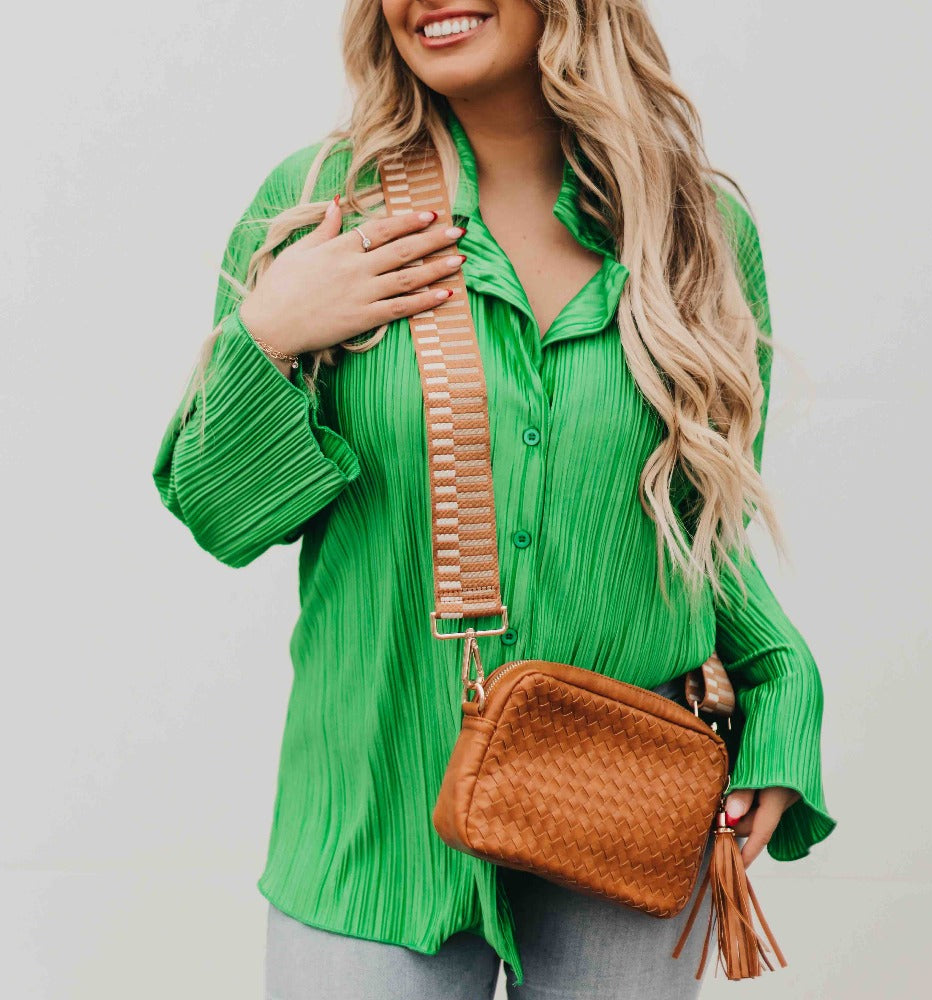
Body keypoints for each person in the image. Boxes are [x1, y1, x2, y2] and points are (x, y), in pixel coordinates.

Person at [152, 2, 836, 997]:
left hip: (621, 804)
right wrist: (271, 333)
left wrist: (779, 680)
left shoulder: (695, 231)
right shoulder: (320, 207)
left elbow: (703, 537)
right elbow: (221, 514)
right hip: (373, 826)